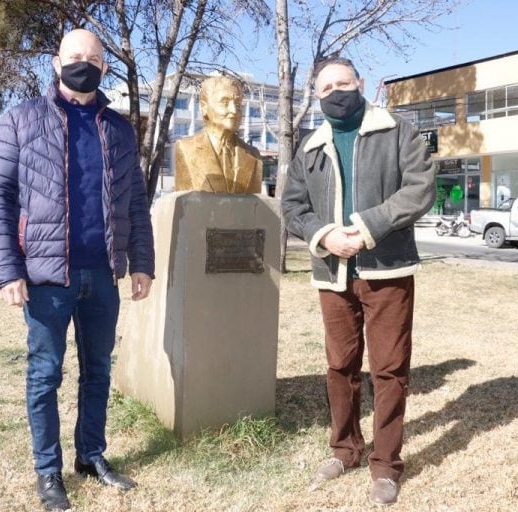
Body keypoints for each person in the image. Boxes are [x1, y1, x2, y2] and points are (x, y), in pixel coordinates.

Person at [0, 29, 154, 512]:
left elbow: (136, 202)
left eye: (93, 58)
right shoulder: (20, 121)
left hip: (103, 274)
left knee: (97, 371)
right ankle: (48, 470)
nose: (84, 64)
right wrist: (6, 270)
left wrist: (141, 262)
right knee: (45, 374)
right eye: (74, 56)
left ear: (105, 67)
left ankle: (91, 456)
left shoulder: (119, 129)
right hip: (44, 277)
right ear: (57, 63)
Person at [281, 56, 435, 506]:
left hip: (387, 270)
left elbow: (420, 187)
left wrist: (367, 226)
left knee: (389, 369)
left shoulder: (398, 131)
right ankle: (345, 449)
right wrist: (324, 234)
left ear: (360, 82)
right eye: (326, 88)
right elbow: (292, 207)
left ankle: (385, 465)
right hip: (332, 273)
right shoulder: (310, 145)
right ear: (316, 95)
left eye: (343, 83)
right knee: (339, 366)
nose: (336, 93)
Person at [174, 75, 262, 194]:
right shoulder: (186, 149)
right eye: (225, 102)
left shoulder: (254, 156)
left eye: (237, 104)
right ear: (204, 107)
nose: (234, 111)